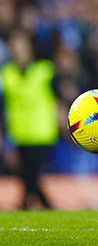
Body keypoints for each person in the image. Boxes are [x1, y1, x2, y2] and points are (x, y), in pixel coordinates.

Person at [0, 29, 59, 210]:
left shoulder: (45, 70)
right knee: (26, 173)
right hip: (18, 133)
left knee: (30, 173)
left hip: (42, 131)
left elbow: (59, 97)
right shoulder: (6, 74)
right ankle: (38, 205)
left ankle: (29, 204)